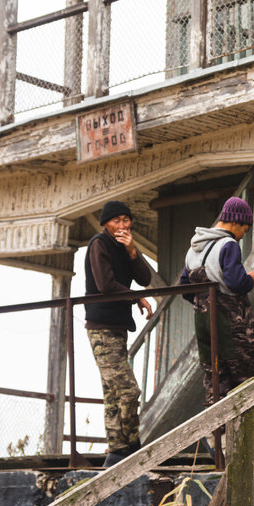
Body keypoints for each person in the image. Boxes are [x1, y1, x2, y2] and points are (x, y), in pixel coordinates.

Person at [84, 200, 153, 467]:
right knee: (128, 390)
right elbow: (105, 284)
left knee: (113, 394)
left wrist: (133, 250)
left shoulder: (125, 247)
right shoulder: (99, 244)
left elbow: (145, 278)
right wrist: (136, 297)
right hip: (101, 327)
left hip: (118, 327)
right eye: (117, 221)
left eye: (126, 220)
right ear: (106, 224)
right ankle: (132, 445)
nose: (122, 225)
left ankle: (116, 452)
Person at [184, 196, 254, 404]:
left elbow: (185, 288)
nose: (242, 235)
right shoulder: (228, 245)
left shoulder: (193, 249)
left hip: (203, 323)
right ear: (235, 222)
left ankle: (215, 424)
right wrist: (250, 279)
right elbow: (236, 283)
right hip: (230, 324)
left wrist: (204, 303)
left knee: (216, 379)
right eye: (245, 229)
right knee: (246, 380)